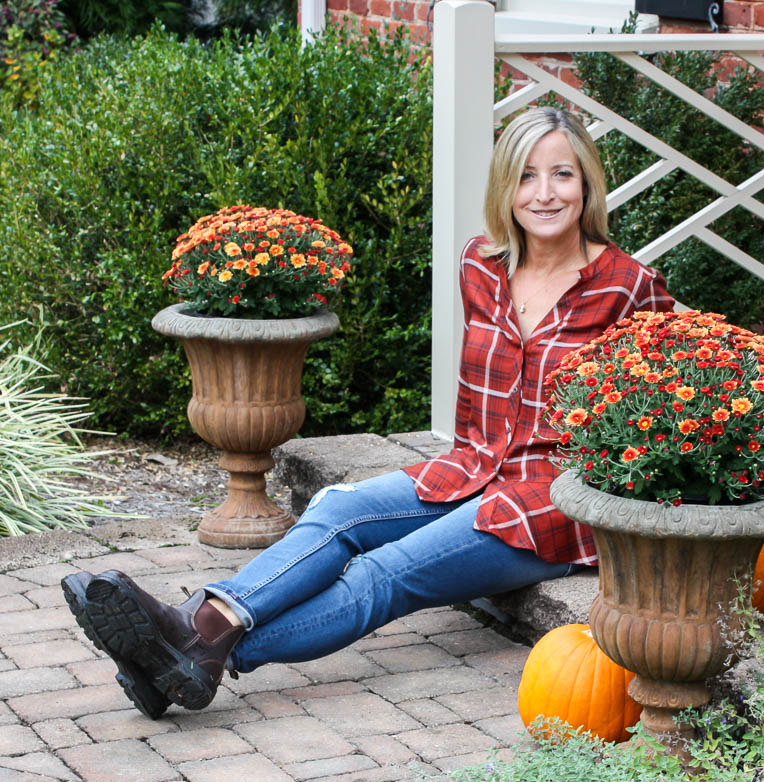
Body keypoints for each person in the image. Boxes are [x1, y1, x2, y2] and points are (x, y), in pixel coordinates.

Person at [62, 107, 675, 719]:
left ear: (588, 184)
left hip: (548, 505)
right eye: (526, 176)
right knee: (340, 510)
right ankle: (195, 637)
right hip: (473, 468)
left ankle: (193, 643)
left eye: (562, 175)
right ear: (505, 187)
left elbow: (668, 407)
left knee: (386, 573)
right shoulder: (481, 266)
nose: (544, 194)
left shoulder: (628, 286)